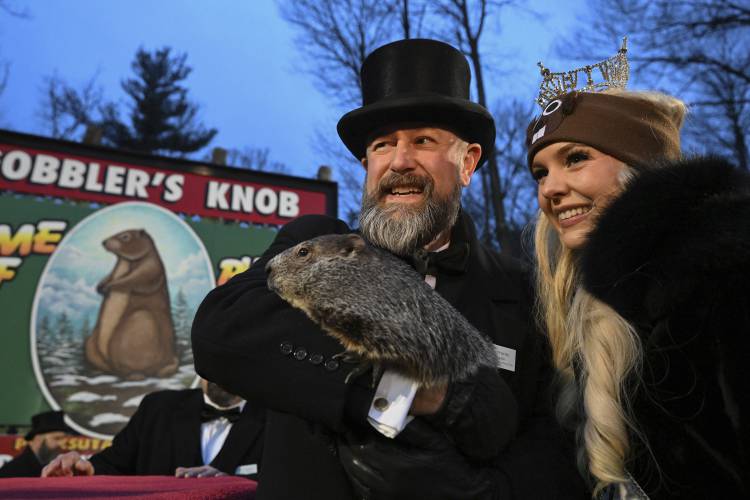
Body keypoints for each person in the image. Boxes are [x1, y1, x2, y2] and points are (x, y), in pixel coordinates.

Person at [192, 38, 585, 499]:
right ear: (366, 164)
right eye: (383, 145)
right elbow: (221, 334)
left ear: (467, 162)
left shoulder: (522, 290)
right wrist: (422, 393)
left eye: (423, 141)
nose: (400, 161)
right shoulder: (313, 241)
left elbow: (551, 446)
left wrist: (479, 491)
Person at [526, 87, 750, 498]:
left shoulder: (723, 272)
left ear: (638, 164)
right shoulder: (590, 303)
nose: (550, 189)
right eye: (540, 173)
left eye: (576, 159)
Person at [41, 378, 264, 479]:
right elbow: (115, 464)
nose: (219, 368)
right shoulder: (158, 409)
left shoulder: (279, 420)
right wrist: (85, 468)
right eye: (211, 355)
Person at [0, 410, 75, 478]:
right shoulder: (11, 472)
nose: (62, 444)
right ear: (37, 439)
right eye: (57, 438)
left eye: (65, 439)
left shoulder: (62, 470)